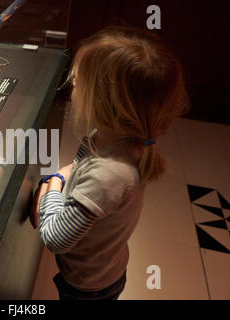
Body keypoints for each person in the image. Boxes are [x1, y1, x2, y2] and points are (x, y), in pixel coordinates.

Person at [30, 26, 189, 300]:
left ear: (104, 102)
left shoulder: (109, 174)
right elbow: (80, 165)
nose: (72, 90)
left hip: (87, 285)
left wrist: (53, 184)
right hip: (105, 269)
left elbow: (55, 238)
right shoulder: (117, 139)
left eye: (77, 83)